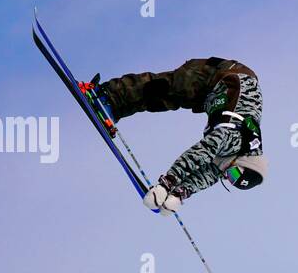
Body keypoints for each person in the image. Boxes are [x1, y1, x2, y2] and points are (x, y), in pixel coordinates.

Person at [79, 58, 266, 214]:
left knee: (160, 100)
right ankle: (107, 96)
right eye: (233, 173)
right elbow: (201, 152)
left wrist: (179, 195)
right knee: (167, 88)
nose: (227, 176)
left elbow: (207, 175)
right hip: (224, 75)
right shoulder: (237, 139)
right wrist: (168, 184)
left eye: (231, 180)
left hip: (212, 94)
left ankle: (112, 109)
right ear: (243, 161)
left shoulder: (229, 161)